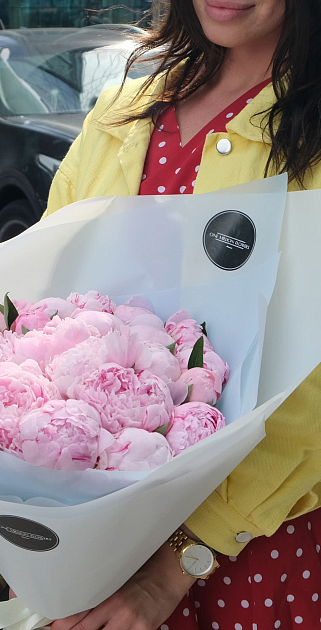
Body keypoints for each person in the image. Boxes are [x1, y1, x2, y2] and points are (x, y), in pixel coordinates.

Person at [37, 1, 321, 628]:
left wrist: (177, 564)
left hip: (255, 548)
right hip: (97, 547)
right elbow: (46, 311)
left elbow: (311, 398)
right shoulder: (120, 113)